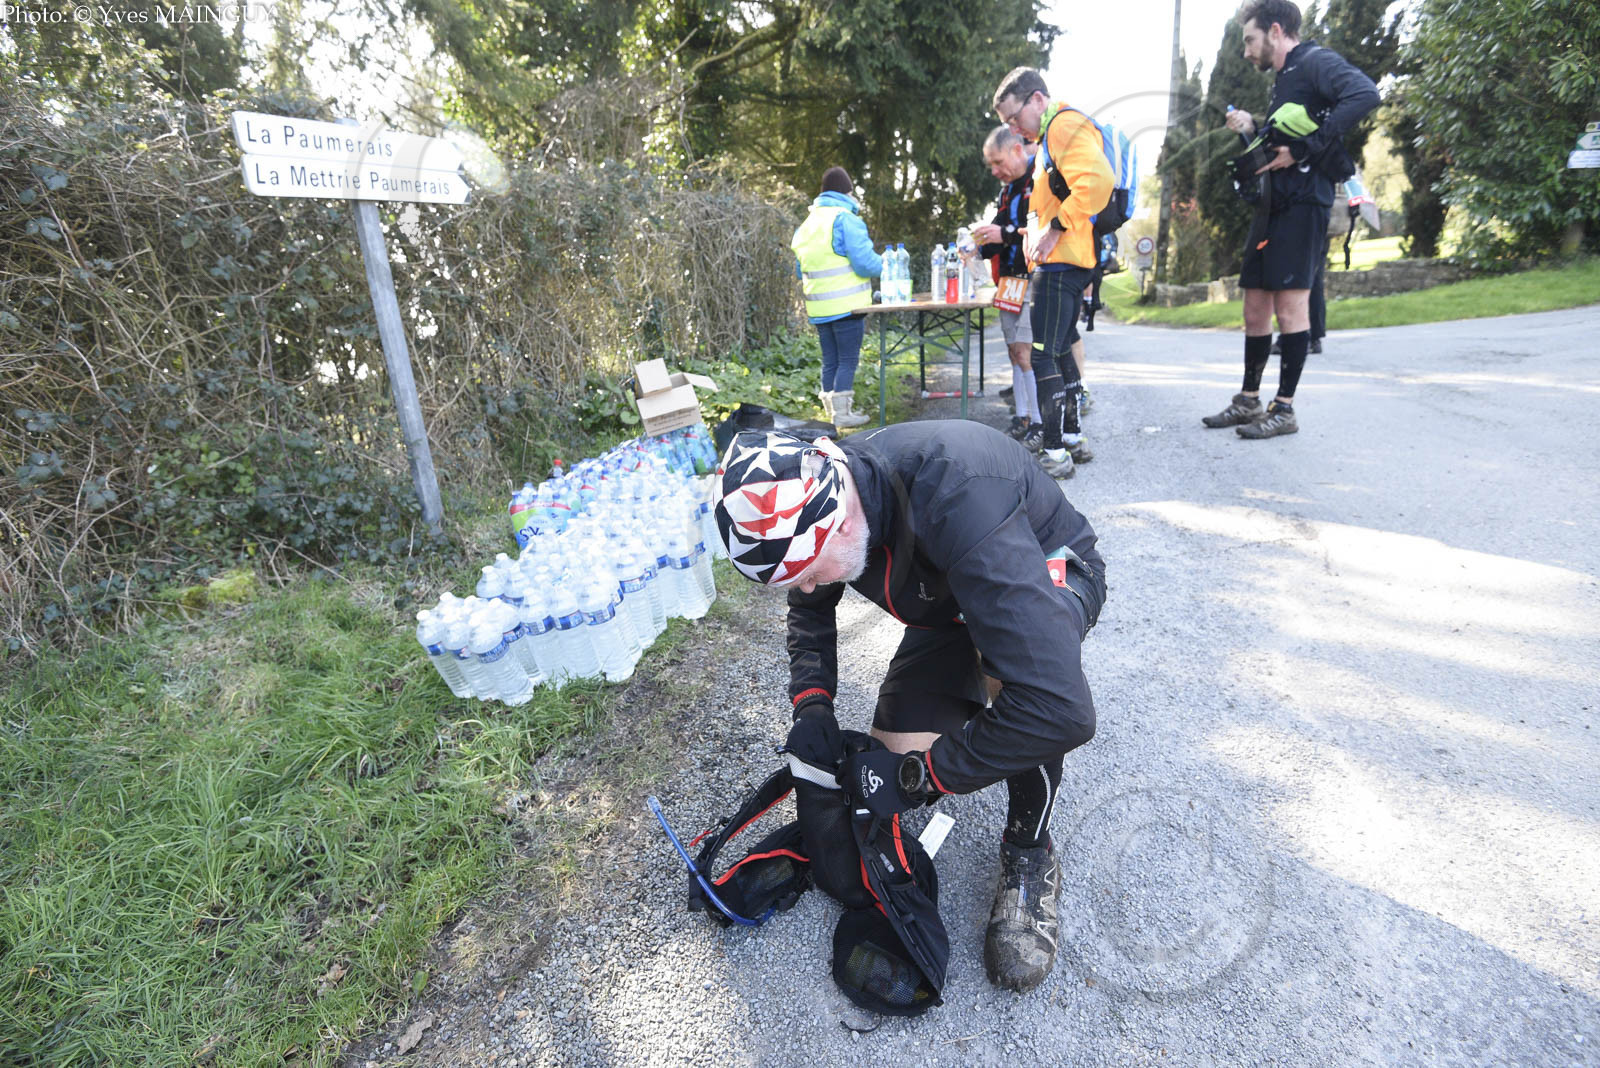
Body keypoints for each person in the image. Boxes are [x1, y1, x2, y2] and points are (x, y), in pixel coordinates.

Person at [711, 421, 1106, 993]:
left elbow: (1059, 709)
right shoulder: (823, 490)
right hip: (950, 602)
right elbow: (809, 611)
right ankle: (953, 719)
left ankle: (1029, 850)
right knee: (891, 753)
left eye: (810, 572)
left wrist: (926, 775)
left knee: (1019, 685)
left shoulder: (957, 494)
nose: (809, 586)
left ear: (842, 522)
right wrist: (812, 705)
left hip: (1044, 569)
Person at [1203, 0, 1377, 438]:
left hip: (1305, 203)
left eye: (1250, 40)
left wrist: (1305, 148)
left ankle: (1284, 409)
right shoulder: (1286, 77)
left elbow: (1365, 94)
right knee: (1255, 305)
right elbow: (1290, 130)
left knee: (1291, 306)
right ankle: (1248, 401)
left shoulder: (1315, 61)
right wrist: (1253, 127)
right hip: (1273, 204)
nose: (1245, 51)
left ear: (1276, 31)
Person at [993, 67, 1113, 477]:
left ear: (1037, 100)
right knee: (1060, 350)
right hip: (1069, 259)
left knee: (1042, 354)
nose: (1013, 129)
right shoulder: (1051, 135)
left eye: (1014, 118)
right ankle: (1073, 439)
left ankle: (1055, 452)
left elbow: (1098, 180)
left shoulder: (1062, 125)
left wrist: (1057, 227)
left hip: (1061, 260)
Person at [792, 167, 882, 429]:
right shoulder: (845, 219)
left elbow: (799, 270)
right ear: (847, 191)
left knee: (830, 360)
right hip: (847, 306)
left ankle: (832, 412)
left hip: (819, 308)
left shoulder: (806, 225)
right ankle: (842, 415)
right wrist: (889, 264)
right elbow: (865, 264)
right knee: (848, 360)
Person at [972, 125, 1043, 447]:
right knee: (1015, 352)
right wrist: (977, 247)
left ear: (1016, 150)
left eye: (998, 162)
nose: (995, 171)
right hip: (1007, 283)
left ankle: (1039, 423)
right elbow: (998, 235)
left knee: (1027, 353)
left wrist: (1005, 234)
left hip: (1032, 280)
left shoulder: (1039, 180)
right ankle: (1022, 417)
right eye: (991, 165)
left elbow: (1040, 229)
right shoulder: (1006, 192)